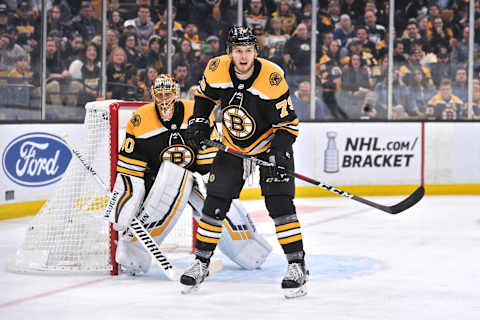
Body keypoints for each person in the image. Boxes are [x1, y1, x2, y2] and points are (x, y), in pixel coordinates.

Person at [181, 25, 308, 299]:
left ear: (255, 52)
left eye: (248, 50)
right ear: (230, 52)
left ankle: (297, 265)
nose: (243, 56)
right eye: (238, 50)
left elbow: (288, 125)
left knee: (280, 204)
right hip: (232, 144)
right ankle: (201, 263)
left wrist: (277, 152)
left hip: (269, 143)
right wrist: (199, 122)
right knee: (214, 202)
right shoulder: (216, 69)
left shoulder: (272, 77)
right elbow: (204, 98)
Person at [105, 74, 271, 275]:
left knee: (218, 202)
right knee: (173, 175)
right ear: (153, 95)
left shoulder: (197, 114)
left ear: (176, 93)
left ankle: (249, 249)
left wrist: (218, 190)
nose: (164, 98)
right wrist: (122, 203)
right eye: (160, 94)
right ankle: (133, 253)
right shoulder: (141, 120)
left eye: (168, 93)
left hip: (194, 177)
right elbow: (130, 172)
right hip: (155, 183)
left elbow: (210, 166)